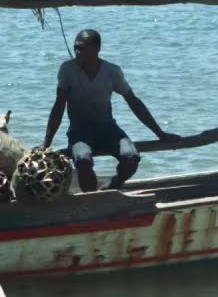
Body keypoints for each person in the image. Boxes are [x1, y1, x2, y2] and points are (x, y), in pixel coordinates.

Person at [42, 29, 179, 192]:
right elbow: (58, 106)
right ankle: (91, 199)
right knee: (83, 160)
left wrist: (160, 134)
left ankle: (112, 186)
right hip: (79, 131)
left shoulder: (111, 71)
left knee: (131, 158)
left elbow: (134, 102)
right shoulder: (67, 70)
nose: (77, 52)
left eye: (82, 48)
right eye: (75, 48)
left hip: (108, 128)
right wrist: (47, 143)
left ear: (96, 49)